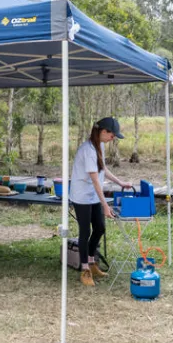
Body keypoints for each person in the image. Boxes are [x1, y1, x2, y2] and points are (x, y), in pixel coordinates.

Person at [70, 117, 132, 287]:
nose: (113, 138)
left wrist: (120, 182)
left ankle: (92, 263)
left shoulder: (100, 146)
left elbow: (102, 168)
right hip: (82, 195)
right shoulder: (88, 150)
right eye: (112, 135)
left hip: (93, 194)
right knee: (85, 231)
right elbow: (96, 180)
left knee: (100, 228)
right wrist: (105, 205)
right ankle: (85, 270)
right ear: (103, 131)